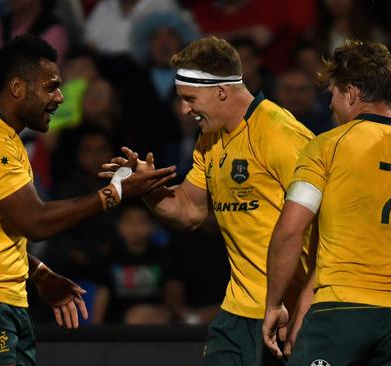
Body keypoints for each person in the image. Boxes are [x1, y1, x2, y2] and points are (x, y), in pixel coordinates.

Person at [0, 34, 176, 366]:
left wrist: (39, 272)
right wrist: (117, 193)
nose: (59, 97)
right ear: (17, 87)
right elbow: (34, 221)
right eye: (51, 87)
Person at [105, 35, 315, 365]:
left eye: (190, 98)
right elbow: (188, 211)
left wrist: (306, 304)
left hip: (288, 311)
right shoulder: (210, 139)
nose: (184, 109)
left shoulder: (280, 134)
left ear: (221, 91)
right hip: (236, 311)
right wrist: (146, 188)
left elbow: (334, 224)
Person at [262, 40, 391, 366]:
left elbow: (290, 232)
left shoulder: (326, 147)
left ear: (352, 93)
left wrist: (275, 304)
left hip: (340, 313)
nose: (330, 104)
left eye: (333, 92)